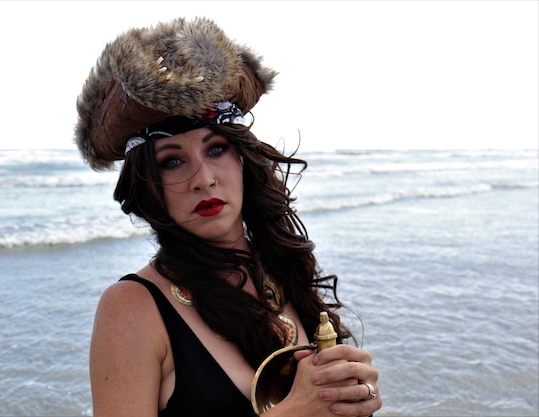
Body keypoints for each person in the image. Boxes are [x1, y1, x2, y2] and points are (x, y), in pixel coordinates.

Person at [74, 17, 382, 417]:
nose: (203, 179)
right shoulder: (132, 307)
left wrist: (355, 396)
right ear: (148, 184)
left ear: (242, 159)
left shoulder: (278, 267)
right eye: (172, 161)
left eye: (215, 149)